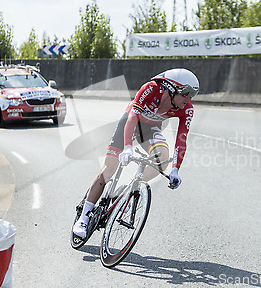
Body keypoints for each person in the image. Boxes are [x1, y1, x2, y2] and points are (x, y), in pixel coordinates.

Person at [72, 68, 199, 238]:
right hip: (131, 121)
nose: (189, 99)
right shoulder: (151, 88)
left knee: (163, 161)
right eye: (187, 93)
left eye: (193, 95)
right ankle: (84, 217)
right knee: (109, 169)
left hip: (151, 128)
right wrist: (127, 147)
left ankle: (129, 188)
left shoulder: (187, 109)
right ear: (171, 88)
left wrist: (175, 169)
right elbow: (132, 117)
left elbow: (181, 139)